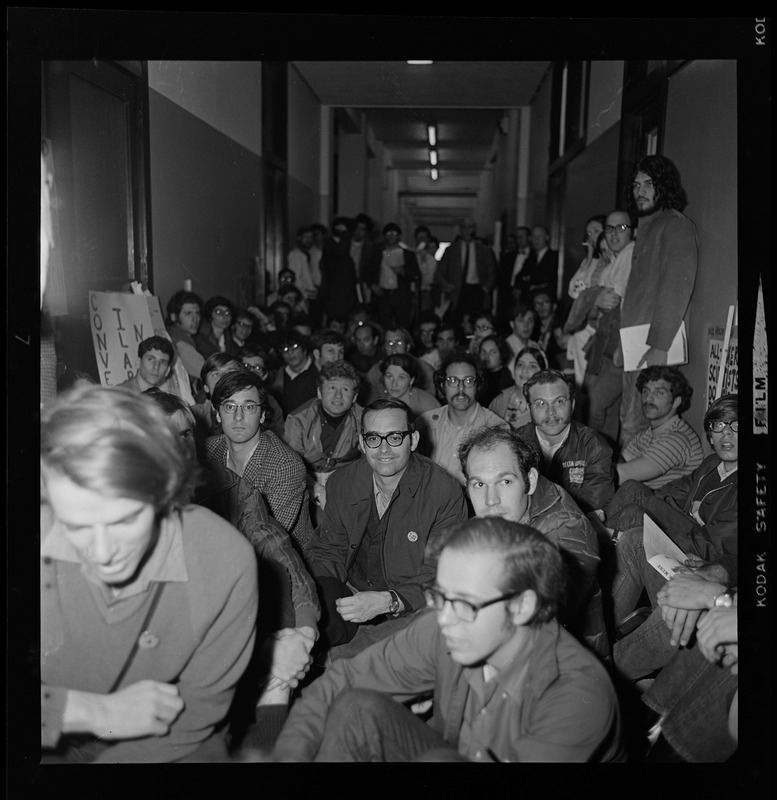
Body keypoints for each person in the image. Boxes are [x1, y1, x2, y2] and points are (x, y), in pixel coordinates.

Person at [272, 517, 622, 763]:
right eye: (440, 595)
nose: (443, 618)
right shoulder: (448, 627)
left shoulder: (574, 692)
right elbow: (341, 680)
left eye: (465, 603)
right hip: (455, 751)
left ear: (522, 606)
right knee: (355, 707)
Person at [40, 386, 258, 762]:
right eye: (75, 526)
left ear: (168, 490)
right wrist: (85, 711)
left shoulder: (223, 559)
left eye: (125, 521)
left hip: (168, 741)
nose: (104, 554)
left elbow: (196, 716)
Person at [308, 398, 468, 660]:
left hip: (409, 607)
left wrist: (388, 600)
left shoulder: (443, 492)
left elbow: (444, 574)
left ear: (413, 441)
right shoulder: (343, 483)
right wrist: (320, 597)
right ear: (361, 443)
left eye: (394, 437)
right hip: (352, 596)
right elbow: (328, 551)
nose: (383, 449)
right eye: (373, 438)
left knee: (359, 661)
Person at [459, 426, 607, 659]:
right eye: (479, 484)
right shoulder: (506, 515)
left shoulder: (567, 527)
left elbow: (547, 601)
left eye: (505, 482)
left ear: (531, 480)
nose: (490, 500)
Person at [602, 394, 738, 646]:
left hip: (701, 556)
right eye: (718, 426)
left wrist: (655, 511)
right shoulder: (712, 463)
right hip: (686, 531)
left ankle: (601, 624)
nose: (726, 435)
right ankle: (603, 548)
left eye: (736, 426)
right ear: (710, 433)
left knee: (635, 528)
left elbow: (712, 548)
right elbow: (675, 489)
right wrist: (658, 506)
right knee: (633, 490)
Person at [619, 155, 699, 448]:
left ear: (663, 187)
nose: (640, 191)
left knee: (638, 423)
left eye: (649, 184)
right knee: (630, 418)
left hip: (652, 345)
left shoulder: (675, 225)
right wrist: (621, 347)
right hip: (634, 344)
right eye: (636, 185)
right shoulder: (648, 226)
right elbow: (636, 296)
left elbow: (676, 287)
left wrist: (659, 345)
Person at [205, 370, 314, 556]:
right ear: (218, 414)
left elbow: (263, 541)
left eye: (248, 408)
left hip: (283, 566)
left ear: (262, 415)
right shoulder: (208, 450)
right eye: (230, 407)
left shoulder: (284, 465)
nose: (238, 417)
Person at [572, 210, 636, 445]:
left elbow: (610, 299)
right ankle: (600, 464)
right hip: (604, 344)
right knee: (603, 408)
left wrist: (592, 298)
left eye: (621, 228)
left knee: (596, 404)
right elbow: (578, 293)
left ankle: (591, 454)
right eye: (609, 229)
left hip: (623, 346)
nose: (613, 234)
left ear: (632, 231)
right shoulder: (611, 261)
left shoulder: (630, 255)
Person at [516, 369, 615, 516]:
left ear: (573, 404)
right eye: (541, 403)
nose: (551, 412)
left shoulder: (594, 446)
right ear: (529, 407)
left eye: (559, 402)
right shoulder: (515, 443)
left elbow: (592, 506)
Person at [283, 359, 363, 518]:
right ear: (319, 392)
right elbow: (290, 467)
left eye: (345, 389)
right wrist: (317, 490)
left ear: (354, 397)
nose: (338, 396)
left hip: (345, 480)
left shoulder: (365, 419)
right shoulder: (298, 419)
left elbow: (370, 461)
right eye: (332, 388)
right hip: (305, 479)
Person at [417, 352, 508, 486]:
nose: (461, 388)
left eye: (468, 381)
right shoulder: (426, 423)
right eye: (452, 381)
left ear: (478, 385)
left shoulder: (496, 428)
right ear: (442, 385)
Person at [616, 365, 703, 490]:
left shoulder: (676, 439)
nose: (648, 398)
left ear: (676, 401)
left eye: (659, 392)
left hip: (668, 506)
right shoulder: (648, 433)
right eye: (645, 391)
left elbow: (620, 475)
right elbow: (623, 460)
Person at [435, 217, 497, 324]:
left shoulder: (484, 250)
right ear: (460, 229)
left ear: (475, 229)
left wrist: (486, 288)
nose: (467, 231)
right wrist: (446, 286)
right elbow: (439, 272)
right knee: (455, 321)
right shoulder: (451, 250)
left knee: (476, 321)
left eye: (470, 227)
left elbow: (492, 272)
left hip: (476, 290)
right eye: (464, 227)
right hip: (456, 291)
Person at [364, 222, 420, 332]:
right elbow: (366, 272)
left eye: (394, 233)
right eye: (388, 233)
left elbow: (416, 275)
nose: (391, 236)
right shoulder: (377, 253)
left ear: (399, 235)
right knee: (383, 326)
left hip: (401, 295)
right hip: (383, 295)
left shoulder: (408, 254)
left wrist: (403, 271)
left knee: (403, 326)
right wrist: (373, 285)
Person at [363, 326, 435, 401]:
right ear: (384, 348)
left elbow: (430, 401)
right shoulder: (375, 373)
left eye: (399, 342)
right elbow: (370, 403)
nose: (393, 347)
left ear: (408, 346)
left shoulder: (425, 370)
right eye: (389, 343)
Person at [489, 345, 547, 429]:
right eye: (520, 365)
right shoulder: (500, 401)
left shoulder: (548, 405)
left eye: (532, 366)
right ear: (513, 371)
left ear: (542, 374)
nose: (524, 370)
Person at [270, 329, 319, 418]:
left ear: (304, 349)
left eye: (295, 347)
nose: (290, 353)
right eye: (285, 349)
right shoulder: (278, 377)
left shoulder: (318, 372)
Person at [319, 217, 359, 325]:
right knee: (336, 322)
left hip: (345, 294)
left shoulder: (339, 247)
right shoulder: (330, 246)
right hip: (335, 295)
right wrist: (344, 234)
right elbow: (341, 254)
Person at [379, 353, 440, 417]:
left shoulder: (427, 405)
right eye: (389, 376)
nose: (394, 384)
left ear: (411, 380)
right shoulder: (382, 403)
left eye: (401, 377)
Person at [166, 289, 205, 383]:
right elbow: (205, 372)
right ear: (174, 317)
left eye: (197, 313)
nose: (195, 319)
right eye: (188, 313)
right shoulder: (180, 341)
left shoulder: (184, 336)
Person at [515, 225, 559, 304]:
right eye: (534, 237)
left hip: (546, 302)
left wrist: (531, 284)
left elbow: (552, 283)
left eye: (540, 236)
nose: (536, 240)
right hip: (529, 302)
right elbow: (519, 278)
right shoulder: (531, 258)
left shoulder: (555, 257)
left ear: (547, 238)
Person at [531, 290, 568, 371]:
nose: (541, 307)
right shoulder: (533, 329)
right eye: (538, 303)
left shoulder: (561, 326)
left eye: (545, 302)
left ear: (554, 306)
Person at [477, 334, 514, 407]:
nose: (486, 356)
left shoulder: (505, 382)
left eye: (492, 352)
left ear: (502, 355)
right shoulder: (479, 375)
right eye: (483, 352)